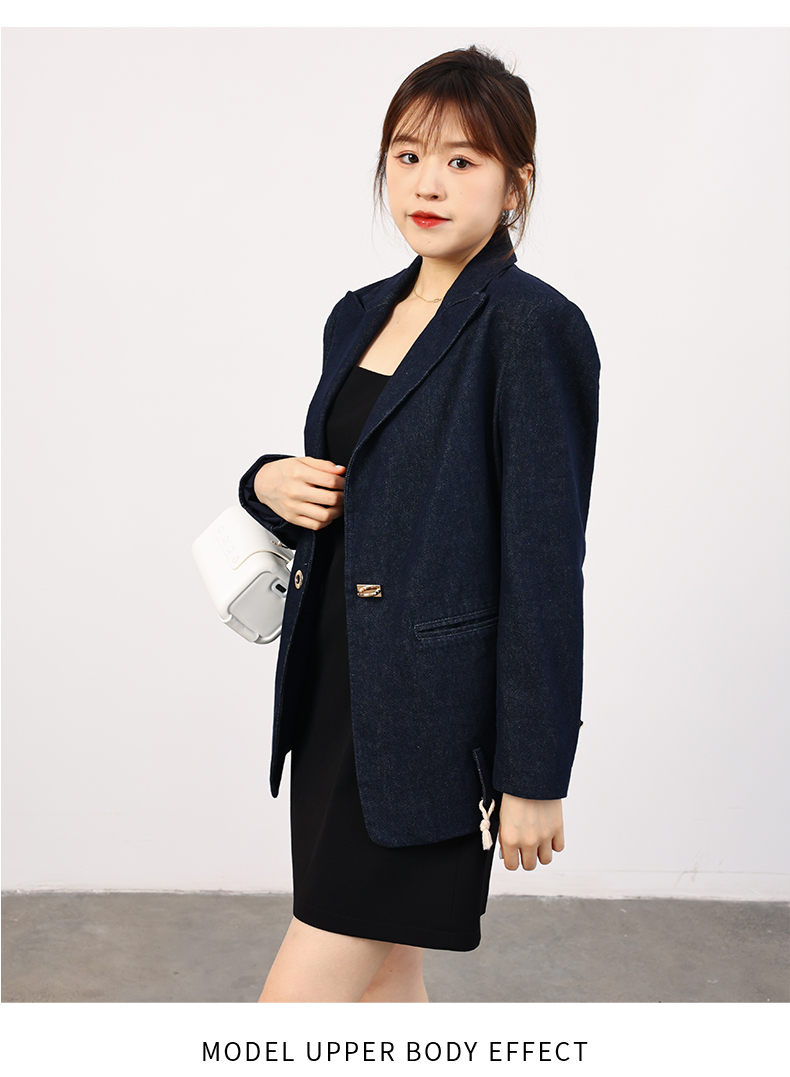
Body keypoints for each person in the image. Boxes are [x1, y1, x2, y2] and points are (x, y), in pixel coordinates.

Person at [238, 45, 600, 1002]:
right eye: (407, 155)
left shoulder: (530, 326)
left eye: (461, 160)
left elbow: (544, 562)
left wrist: (535, 771)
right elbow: (355, 488)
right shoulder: (357, 314)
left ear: (517, 184)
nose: (426, 183)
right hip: (334, 697)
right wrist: (264, 480)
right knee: (385, 987)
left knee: (295, 1009)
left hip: (432, 724)